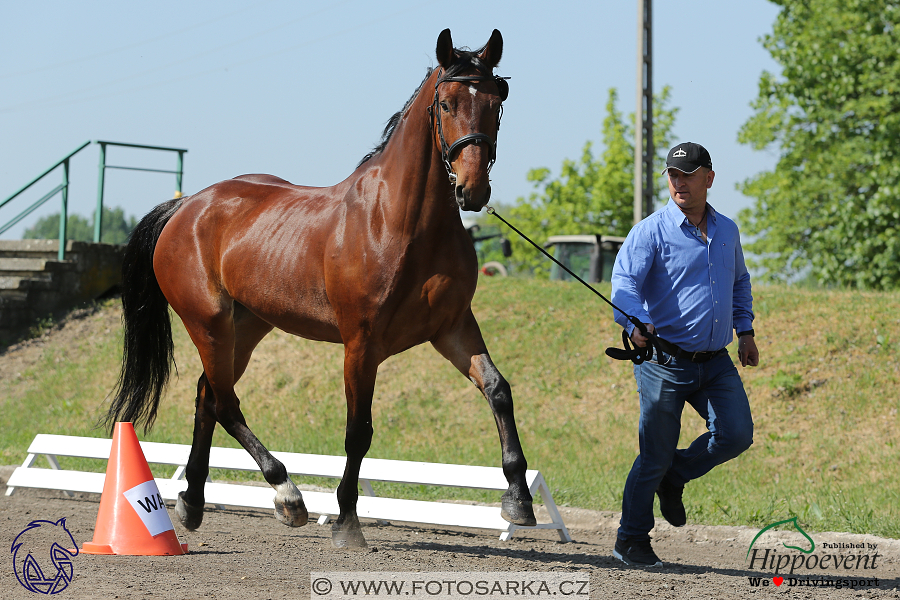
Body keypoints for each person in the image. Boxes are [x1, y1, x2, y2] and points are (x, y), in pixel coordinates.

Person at [609, 142, 759, 567]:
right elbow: (623, 286)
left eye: (687, 174)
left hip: (716, 362)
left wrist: (745, 330)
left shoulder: (728, 230)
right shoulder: (651, 231)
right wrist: (634, 322)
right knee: (654, 454)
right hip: (664, 362)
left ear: (708, 178)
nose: (678, 182)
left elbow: (739, 282)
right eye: (672, 175)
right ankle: (631, 539)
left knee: (736, 435)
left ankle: (675, 475)